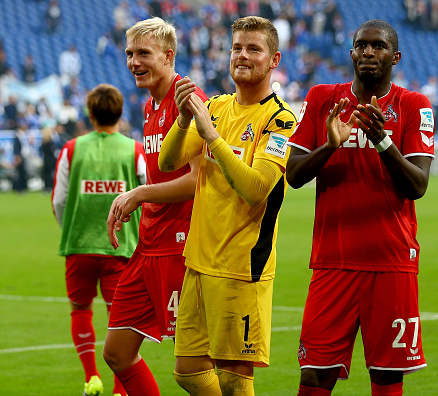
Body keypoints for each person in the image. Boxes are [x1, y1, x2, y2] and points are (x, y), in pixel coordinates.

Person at [286, 19, 434, 396]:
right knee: (314, 374)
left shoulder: (413, 105)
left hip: (391, 263)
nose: (369, 51)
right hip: (333, 262)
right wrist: (330, 145)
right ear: (352, 52)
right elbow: (294, 174)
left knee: (386, 377)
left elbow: (417, 186)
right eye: (362, 45)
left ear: (395, 56)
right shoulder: (322, 99)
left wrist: (383, 141)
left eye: (379, 46)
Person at [158, 15, 296, 395]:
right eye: (237, 48)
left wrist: (212, 138)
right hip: (198, 262)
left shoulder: (281, 120)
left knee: (235, 383)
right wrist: (185, 119)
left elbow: (256, 189)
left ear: (274, 60)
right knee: (187, 373)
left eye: (254, 49)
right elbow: (166, 164)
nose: (243, 55)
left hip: (241, 267)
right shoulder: (215, 106)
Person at [102, 17, 207, 396]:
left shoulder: (189, 101)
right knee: (117, 352)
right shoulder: (151, 106)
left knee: (196, 368)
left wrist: (139, 194)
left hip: (180, 249)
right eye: (130, 53)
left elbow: (198, 180)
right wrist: (134, 198)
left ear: (168, 55)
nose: (133, 62)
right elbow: (164, 177)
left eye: (143, 53)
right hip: (148, 247)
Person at [51, 83, 146, 396]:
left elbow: (60, 200)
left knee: (80, 309)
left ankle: (92, 377)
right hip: (120, 248)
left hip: (79, 246)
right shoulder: (134, 150)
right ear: (120, 113)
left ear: (89, 115)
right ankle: (121, 389)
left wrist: (70, 227)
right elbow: (148, 194)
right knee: (119, 319)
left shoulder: (71, 149)